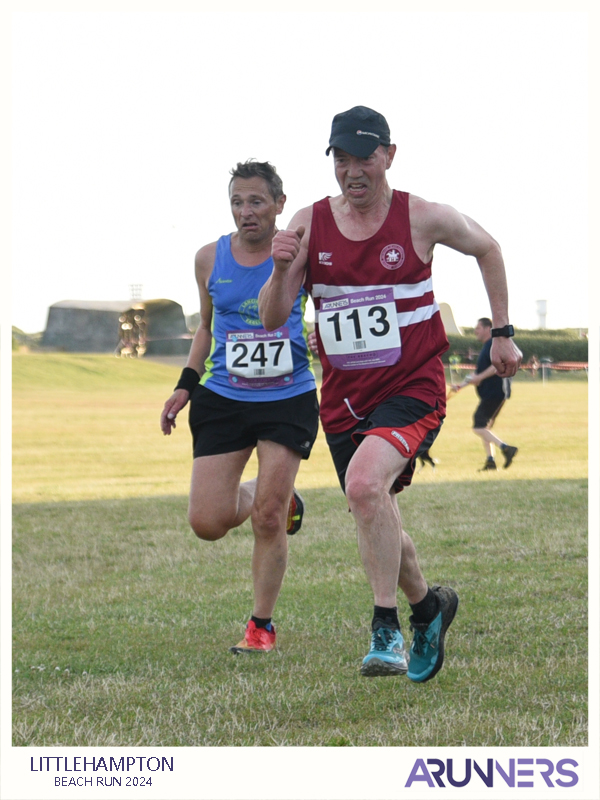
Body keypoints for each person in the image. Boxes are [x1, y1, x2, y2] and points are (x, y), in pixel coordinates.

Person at [259, 106, 522, 683]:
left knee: (363, 485)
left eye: (364, 158)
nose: (353, 172)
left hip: (412, 385)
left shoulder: (421, 217)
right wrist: (280, 273)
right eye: (341, 160)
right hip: (345, 399)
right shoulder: (308, 223)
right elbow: (273, 314)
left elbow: (489, 248)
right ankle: (430, 608)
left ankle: (386, 630)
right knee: (373, 505)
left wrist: (502, 333)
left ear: (390, 156)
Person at [160, 159, 319, 654]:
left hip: (286, 396)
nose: (245, 212)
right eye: (236, 202)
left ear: (278, 205)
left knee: (268, 519)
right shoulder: (209, 258)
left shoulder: (299, 255)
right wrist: (185, 385)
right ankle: (278, 493)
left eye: (255, 201)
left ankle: (260, 628)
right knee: (206, 523)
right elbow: (205, 327)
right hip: (223, 396)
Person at [452, 317, 518, 471]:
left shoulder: (492, 346)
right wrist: (461, 385)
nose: (475, 331)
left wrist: (479, 378)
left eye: (478, 328)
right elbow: (478, 373)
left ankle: (507, 448)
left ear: (488, 329)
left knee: (478, 426)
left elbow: (497, 366)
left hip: (495, 392)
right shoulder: (487, 346)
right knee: (484, 428)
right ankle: (490, 462)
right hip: (492, 392)